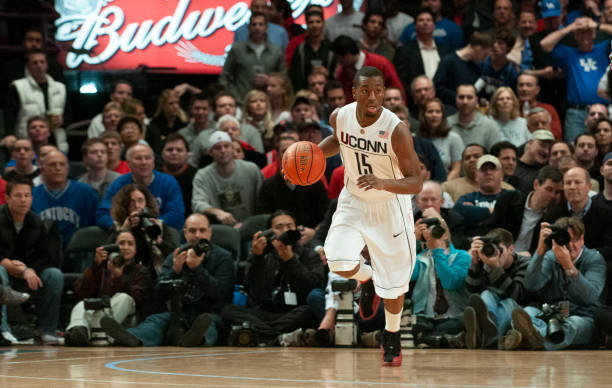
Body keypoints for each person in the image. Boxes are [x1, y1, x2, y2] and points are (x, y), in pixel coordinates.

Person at [290, 66, 423, 366]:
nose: (373, 97)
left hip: (390, 203)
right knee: (336, 259)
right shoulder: (340, 116)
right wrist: (313, 154)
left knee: (396, 284)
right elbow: (339, 140)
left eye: (379, 91)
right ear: (355, 93)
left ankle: (391, 333)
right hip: (353, 200)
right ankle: (368, 280)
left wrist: (383, 182)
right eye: (366, 91)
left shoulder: (396, 130)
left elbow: (415, 181)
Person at [101, 213, 235, 347]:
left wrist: (197, 268)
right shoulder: (175, 256)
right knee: (154, 321)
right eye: (192, 231)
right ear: (185, 233)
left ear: (210, 233)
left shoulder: (223, 258)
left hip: (209, 313)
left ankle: (198, 341)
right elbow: (158, 293)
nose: (198, 235)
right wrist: (175, 270)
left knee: (208, 325)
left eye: (202, 230)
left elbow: (221, 293)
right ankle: (132, 338)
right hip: (177, 312)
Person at [221, 210, 325, 346]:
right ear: (270, 232)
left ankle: (259, 334)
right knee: (228, 310)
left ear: (296, 229)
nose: (285, 230)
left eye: (289, 226)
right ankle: (277, 337)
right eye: (279, 227)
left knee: (309, 311)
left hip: (293, 312)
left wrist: (290, 261)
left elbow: (311, 287)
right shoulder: (262, 253)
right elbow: (254, 290)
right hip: (264, 312)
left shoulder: (309, 254)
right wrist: (257, 257)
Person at [507, 217, 606, 350]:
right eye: (566, 240)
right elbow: (531, 285)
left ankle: (531, 338)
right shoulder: (551, 257)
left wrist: (568, 266)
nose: (570, 246)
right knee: (527, 312)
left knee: (573, 325)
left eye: (574, 240)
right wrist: (540, 251)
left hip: (583, 317)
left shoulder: (594, 259)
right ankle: (535, 337)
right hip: (552, 315)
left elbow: (590, 297)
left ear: (582, 239)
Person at [0, 178, 63, 344]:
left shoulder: (37, 222)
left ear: (32, 199)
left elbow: (45, 256)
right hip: (4, 273)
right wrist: (11, 265)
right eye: (18, 195)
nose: (23, 200)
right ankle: (4, 329)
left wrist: (29, 270)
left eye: (27, 195)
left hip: (26, 275)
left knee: (54, 274)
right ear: (7, 198)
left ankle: (47, 330)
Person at [64, 229, 153, 346]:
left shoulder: (141, 271)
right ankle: (78, 332)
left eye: (130, 244)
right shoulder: (102, 268)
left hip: (123, 320)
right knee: (81, 304)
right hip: (98, 313)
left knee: (124, 298)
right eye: (121, 243)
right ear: (113, 247)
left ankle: (98, 333)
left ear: (136, 250)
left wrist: (118, 278)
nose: (125, 247)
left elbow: (138, 299)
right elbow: (81, 293)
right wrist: (96, 266)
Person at [541, 16, 611, 141]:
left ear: (594, 34)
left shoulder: (603, 49)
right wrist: (570, 27)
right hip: (577, 112)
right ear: (575, 36)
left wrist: (597, 25)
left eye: (588, 32)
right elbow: (545, 44)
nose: (585, 36)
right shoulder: (569, 53)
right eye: (580, 32)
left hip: (603, 110)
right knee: (574, 148)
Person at [464, 228, 531, 349]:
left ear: (511, 249)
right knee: (485, 295)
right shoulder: (486, 259)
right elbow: (472, 292)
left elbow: (518, 295)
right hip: (492, 305)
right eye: (492, 249)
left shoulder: (524, 263)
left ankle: (482, 336)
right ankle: (487, 335)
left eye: (500, 250)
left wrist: (495, 268)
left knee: (508, 303)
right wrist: (475, 263)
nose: (496, 254)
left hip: (518, 310)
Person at [97, 144, 185, 231]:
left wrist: (155, 223)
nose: (144, 162)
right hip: (128, 234)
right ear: (128, 163)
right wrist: (119, 226)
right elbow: (103, 213)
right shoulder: (118, 184)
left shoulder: (168, 182)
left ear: (153, 161)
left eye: (148, 158)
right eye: (138, 158)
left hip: (160, 233)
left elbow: (177, 213)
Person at [192, 131, 263, 227]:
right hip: (221, 229)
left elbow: (263, 198)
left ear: (233, 148)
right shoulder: (202, 175)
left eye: (226, 146)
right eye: (218, 148)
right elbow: (197, 203)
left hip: (251, 227)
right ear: (210, 152)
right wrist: (216, 212)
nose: (223, 150)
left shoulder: (251, 169)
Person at [487, 166, 563, 254]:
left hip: (530, 261)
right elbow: (490, 229)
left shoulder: (554, 217)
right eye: (549, 189)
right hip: (500, 254)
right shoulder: (509, 200)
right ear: (536, 184)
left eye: (557, 192)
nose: (552, 195)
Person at [4, 49, 67, 152]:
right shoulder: (18, 86)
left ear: (47, 65)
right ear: (28, 66)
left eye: (42, 62)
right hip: (26, 143)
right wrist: (9, 134)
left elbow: (69, 113)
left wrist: (62, 119)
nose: (39, 65)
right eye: (35, 62)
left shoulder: (60, 88)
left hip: (56, 142)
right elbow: (9, 114)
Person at [32, 150, 98, 246]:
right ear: (42, 169)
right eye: (52, 164)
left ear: (67, 168)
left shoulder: (85, 192)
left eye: (62, 164)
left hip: (78, 252)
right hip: (43, 251)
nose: (58, 168)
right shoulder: (33, 195)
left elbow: (95, 225)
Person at [220, 12, 286, 104]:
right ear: (248, 27)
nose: (257, 27)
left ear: (266, 27)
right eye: (254, 24)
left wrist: (269, 81)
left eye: (261, 24)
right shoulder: (237, 49)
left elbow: (283, 77)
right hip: (241, 101)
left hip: (269, 102)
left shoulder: (276, 50)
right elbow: (225, 76)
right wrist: (233, 95)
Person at [331, 36, 405, 105]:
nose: (339, 62)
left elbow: (397, 90)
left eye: (339, 59)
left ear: (347, 55)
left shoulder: (381, 63)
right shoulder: (342, 71)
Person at [394, 8, 451, 95]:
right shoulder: (404, 52)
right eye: (421, 20)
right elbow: (402, 81)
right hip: (416, 99)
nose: (425, 23)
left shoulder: (445, 50)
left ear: (434, 25)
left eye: (428, 20)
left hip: (442, 98)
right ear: (415, 25)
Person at [453, 155, 510, 236]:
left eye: (492, 169)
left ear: (501, 175)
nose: (488, 172)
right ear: (476, 176)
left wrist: (475, 212)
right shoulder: (466, 198)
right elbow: (459, 210)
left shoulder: (510, 196)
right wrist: (492, 211)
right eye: (483, 169)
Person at [434, 32, 492, 106]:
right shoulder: (449, 61)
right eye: (485, 54)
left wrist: (480, 101)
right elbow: (437, 88)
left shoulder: (476, 67)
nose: (485, 59)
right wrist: (460, 97)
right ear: (478, 48)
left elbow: (476, 91)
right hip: (449, 109)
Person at [441, 144, 515, 202]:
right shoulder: (448, 188)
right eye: (467, 158)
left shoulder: (508, 190)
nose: (472, 160)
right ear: (462, 163)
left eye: (476, 156)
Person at [417, 98, 464, 180]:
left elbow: (456, 169)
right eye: (430, 111)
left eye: (438, 112)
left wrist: (441, 187)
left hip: (447, 184)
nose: (434, 115)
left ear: (443, 115)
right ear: (423, 115)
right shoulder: (415, 138)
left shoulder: (453, 138)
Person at [289, 9, 335, 92]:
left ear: (323, 24)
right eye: (311, 22)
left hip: (328, 94)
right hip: (305, 94)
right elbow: (294, 76)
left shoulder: (331, 48)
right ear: (306, 24)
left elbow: (337, 75)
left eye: (318, 22)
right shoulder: (300, 49)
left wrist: (327, 73)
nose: (314, 25)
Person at [448, 84, 504, 151]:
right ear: (456, 99)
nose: (465, 101)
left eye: (469, 97)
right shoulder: (446, 124)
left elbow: (496, 157)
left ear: (476, 100)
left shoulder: (490, 126)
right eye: (461, 97)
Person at [398, 0, 464, 50]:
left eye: (434, 0)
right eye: (426, 0)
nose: (430, 3)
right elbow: (401, 52)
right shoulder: (409, 28)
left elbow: (458, 57)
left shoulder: (454, 28)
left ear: (441, 3)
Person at [516, 74, 562, 140]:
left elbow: (557, 135)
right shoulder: (511, 109)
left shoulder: (548, 109)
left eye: (528, 85)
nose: (524, 88)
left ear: (537, 90)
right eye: (521, 85)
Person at [161, 133, 197, 216]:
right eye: (169, 150)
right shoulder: (153, 176)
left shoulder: (197, 177)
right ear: (162, 153)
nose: (174, 153)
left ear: (187, 154)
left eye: (179, 150)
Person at [478, 30, 520, 101]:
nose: (495, 45)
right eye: (493, 42)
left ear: (508, 48)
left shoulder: (512, 71)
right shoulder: (481, 63)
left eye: (500, 43)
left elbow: (512, 97)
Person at [514, 130, 556, 194]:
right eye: (543, 145)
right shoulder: (510, 162)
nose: (546, 151)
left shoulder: (545, 174)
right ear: (530, 143)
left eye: (549, 149)